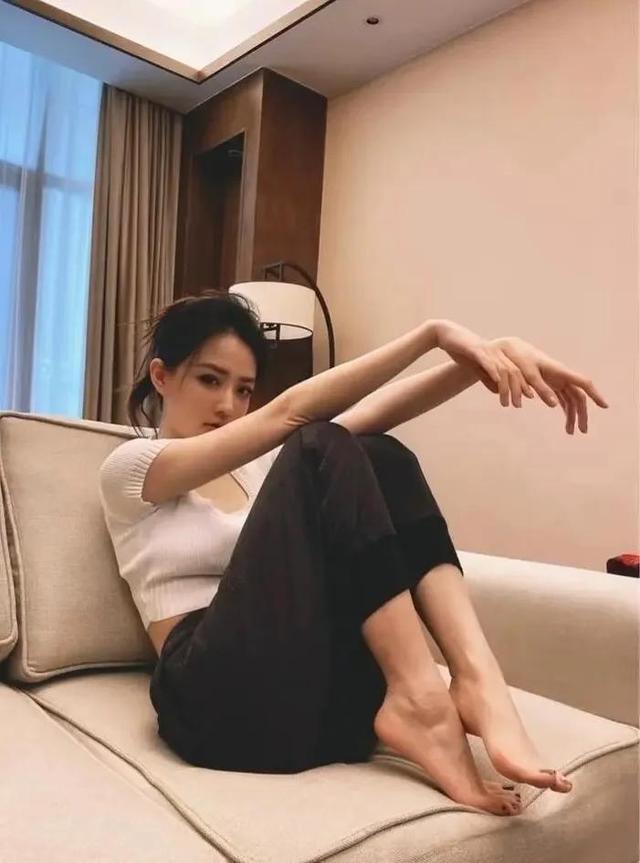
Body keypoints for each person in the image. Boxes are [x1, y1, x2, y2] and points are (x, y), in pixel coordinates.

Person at [98, 289, 608, 817]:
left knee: (381, 452)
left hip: (312, 704)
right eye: (210, 380)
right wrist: (432, 334)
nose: (228, 404)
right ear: (161, 377)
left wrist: (489, 356)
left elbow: (376, 412)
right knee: (319, 441)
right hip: (217, 704)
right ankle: (421, 701)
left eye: (244, 389)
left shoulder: (258, 470)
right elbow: (294, 415)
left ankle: (476, 678)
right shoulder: (131, 469)